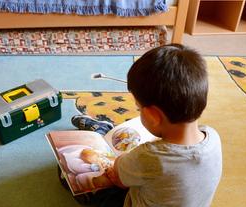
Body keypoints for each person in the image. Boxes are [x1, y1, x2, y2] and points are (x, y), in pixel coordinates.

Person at [69, 44, 223, 207]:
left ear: (153, 116)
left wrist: (122, 162)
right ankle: (107, 130)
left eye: (138, 109)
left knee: (81, 181)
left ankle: (104, 130)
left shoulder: (149, 156)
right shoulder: (213, 136)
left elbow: (119, 178)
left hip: (130, 187)